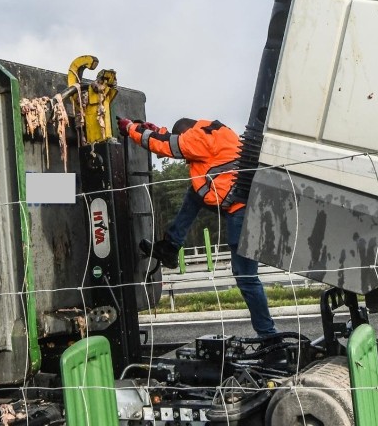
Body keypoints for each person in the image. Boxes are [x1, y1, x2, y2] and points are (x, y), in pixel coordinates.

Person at [117, 116, 277, 337]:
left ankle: (268, 335)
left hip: (240, 210)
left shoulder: (197, 138)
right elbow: (171, 140)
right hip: (242, 202)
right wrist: (153, 129)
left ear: (186, 132)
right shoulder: (214, 130)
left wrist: (132, 129)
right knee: (195, 191)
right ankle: (171, 245)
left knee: (246, 278)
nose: (186, 162)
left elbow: (166, 145)